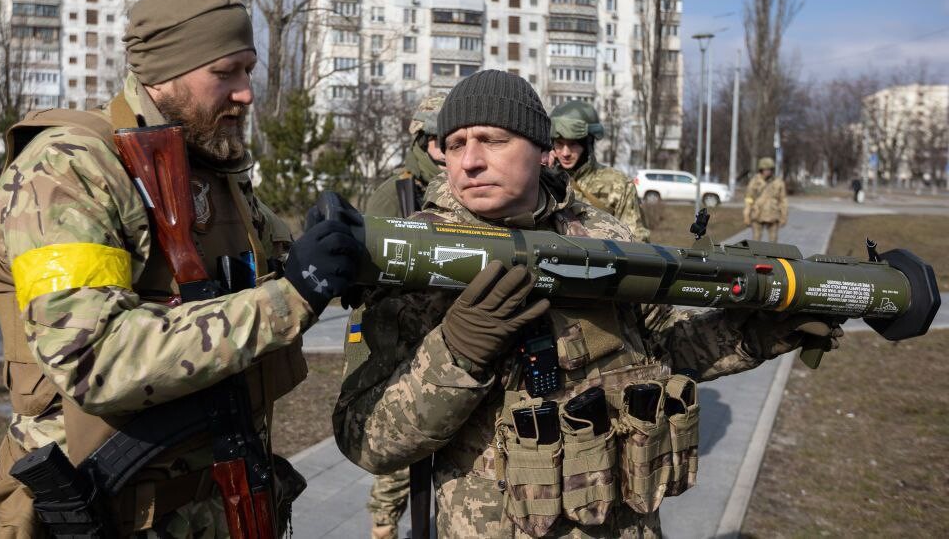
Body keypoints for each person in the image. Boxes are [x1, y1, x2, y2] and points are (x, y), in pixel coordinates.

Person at [333, 70, 840, 538]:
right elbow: (365, 437)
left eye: (492, 139)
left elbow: (669, 351)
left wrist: (759, 333)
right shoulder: (417, 257)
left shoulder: (601, 234)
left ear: (541, 149)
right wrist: (456, 354)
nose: (469, 160)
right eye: (456, 143)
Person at [0, 0, 364, 537]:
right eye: (226, 72)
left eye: (249, 70)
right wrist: (289, 299)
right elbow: (94, 357)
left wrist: (331, 244)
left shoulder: (208, 165)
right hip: (101, 514)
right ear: (165, 74)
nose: (245, 92)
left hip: (217, 506)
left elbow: (276, 261)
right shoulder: (69, 170)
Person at [361, 93, 446, 539]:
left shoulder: (463, 190)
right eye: (441, 140)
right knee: (399, 458)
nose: (450, 148)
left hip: (451, 347)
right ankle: (382, 526)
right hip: (404, 346)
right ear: (423, 139)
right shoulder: (396, 195)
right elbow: (376, 276)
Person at [549, 100, 650, 242]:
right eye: (559, 144)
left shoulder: (619, 185)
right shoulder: (545, 179)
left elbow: (638, 244)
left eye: (573, 144)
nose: (565, 153)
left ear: (588, 143)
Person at [744, 157, 788, 242]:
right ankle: (755, 255)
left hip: (773, 214)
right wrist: (746, 214)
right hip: (757, 214)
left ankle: (771, 256)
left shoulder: (778, 182)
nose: (768, 171)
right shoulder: (755, 182)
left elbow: (783, 200)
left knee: (773, 242)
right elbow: (749, 198)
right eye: (766, 169)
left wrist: (784, 216)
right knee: (756, 241)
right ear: (761, 169)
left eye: (770, 169)